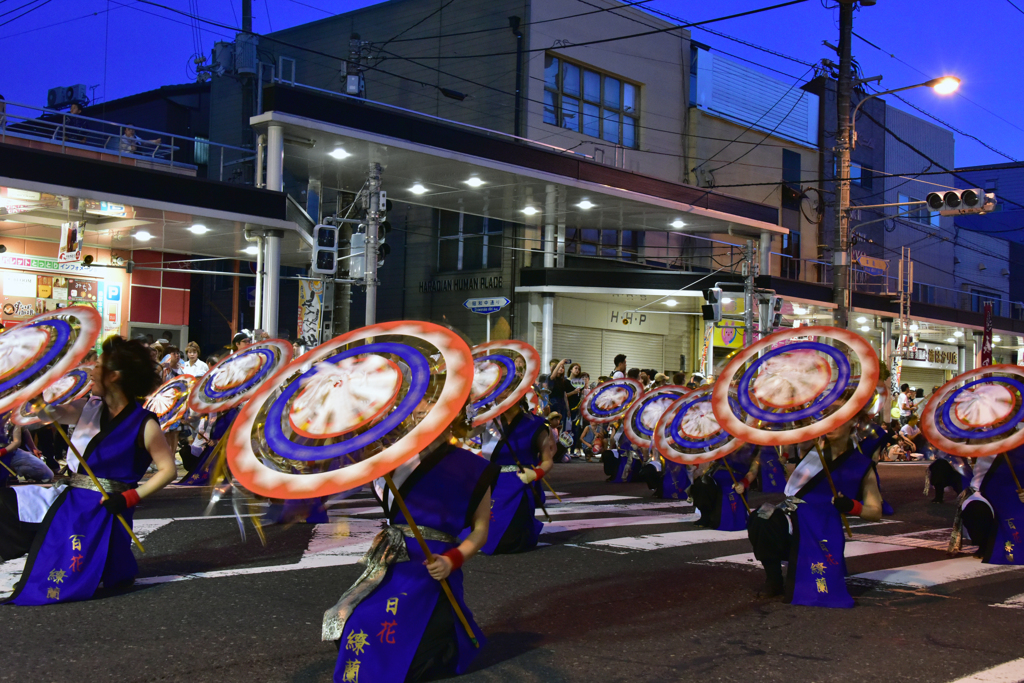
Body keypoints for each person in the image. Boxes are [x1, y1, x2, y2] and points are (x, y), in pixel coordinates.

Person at [324, 401, 497, 682]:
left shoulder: (474, 467)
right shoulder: (393, 460)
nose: (422, 415)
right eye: (417, 410)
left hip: (434, 565)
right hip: (394, 561)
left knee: (411, 648)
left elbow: (480, 531)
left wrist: (452, 559)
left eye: (430, 409)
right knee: (354, 619)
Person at [2, 336, 175, 604]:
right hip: (71, 498)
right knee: (8, 507)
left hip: (108, 505)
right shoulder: (90, 407)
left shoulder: (145, 423)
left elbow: (168, 470)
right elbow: (52, 415)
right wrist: (36, 397)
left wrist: (129, 498)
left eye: (99, 365)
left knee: (105, 570)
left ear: (115, 376)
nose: (91, 370)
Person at [746, 412, 883, 605]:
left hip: (822, 525)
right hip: (791, 515)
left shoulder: (862, 465)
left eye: (838, 420)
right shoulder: (811, 447)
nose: (831, 425)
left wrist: (852, 506)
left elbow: (875, 511)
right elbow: (799, 427)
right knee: (762, 517)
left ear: (853, 422)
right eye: (827, 420)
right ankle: (774, 578)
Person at [469, 399, 555, 554]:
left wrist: (536, 473)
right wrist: (476, 416)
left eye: (509, 389)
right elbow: (467, 434)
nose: (504, 395)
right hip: (490, 482)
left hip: (519, 483)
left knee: (510, 540)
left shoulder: (535, 424)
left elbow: (548, 460)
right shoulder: (488, 421)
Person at [956, 449, 1024, 563]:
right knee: (975, 509)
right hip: (991, 497)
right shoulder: (989, 450)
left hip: (1017, 500)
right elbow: (977, 482)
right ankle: (984, 544)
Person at [690, 448, 752, 531]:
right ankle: (705, 515)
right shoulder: (724, 441)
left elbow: (753, 471)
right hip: (717, 475)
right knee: (701, 484)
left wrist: (743, 483)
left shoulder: (754, 446)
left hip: (736, 478)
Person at [0, 419, 54, 484]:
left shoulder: (12, 416)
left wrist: (33, 448)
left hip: (10, 451)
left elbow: (17, 440)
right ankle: (7, 473)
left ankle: (12, 471)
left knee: (47, 475)